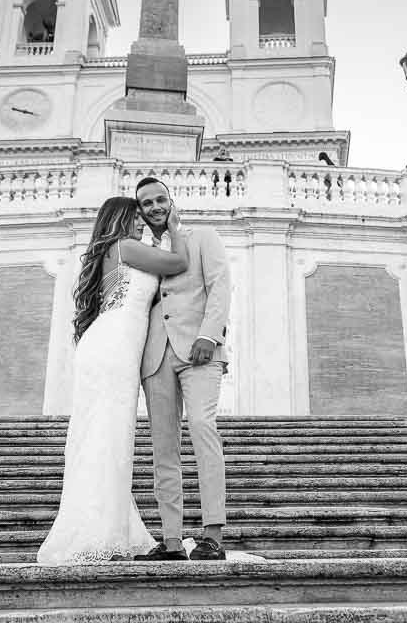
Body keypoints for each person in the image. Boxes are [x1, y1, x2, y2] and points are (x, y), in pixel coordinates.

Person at [36, 196, 191, 565]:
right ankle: (97, 530)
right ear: (120, 220)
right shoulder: (125, 246)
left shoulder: (114, 250)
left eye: (143, 218)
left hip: (109, 344)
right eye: (135, 217)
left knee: (105, 435)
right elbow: (178, 263)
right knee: (107, 434)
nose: (141, 223)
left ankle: (107, 523)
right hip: (114, 346)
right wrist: (174, 228)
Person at [132, 177, 232, 561]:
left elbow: (220, 286)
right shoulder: (141, 250)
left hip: (200, 349)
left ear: (170, 200)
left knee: (203, 428)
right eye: (146, 203)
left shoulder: (203, 236)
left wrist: (211, 335)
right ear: (140, 211)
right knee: (163, 448)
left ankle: (212, 536)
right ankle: (171, 540)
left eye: (160, 199)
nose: (155, 207)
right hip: (155, 358)